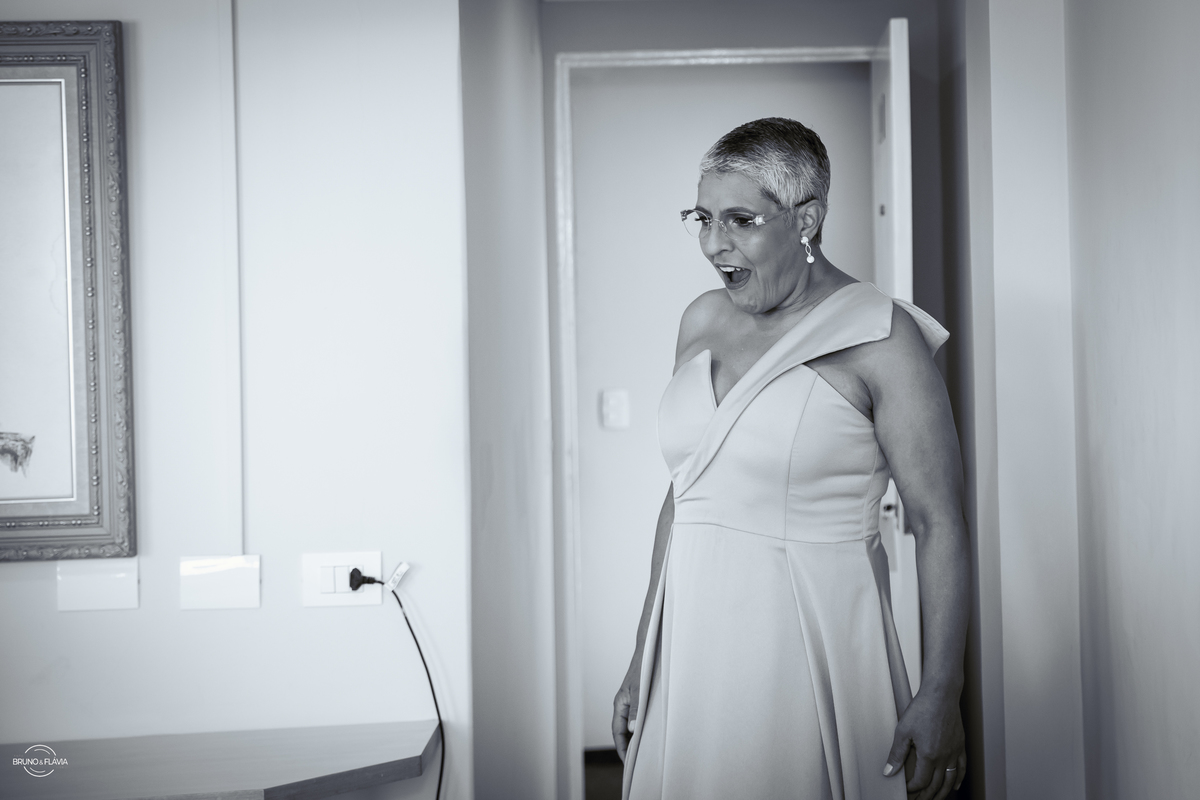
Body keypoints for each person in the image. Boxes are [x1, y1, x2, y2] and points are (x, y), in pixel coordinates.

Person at [612, 118, 970, 800]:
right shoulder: (701, 320)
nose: (714, 243)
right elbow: (686, 491)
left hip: (809, 639)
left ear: (806, 219)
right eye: (703, 218)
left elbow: (938, 522)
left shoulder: (882, 338)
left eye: (740, 220)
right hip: (690, 637)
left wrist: (941, 690)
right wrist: (642, 654)